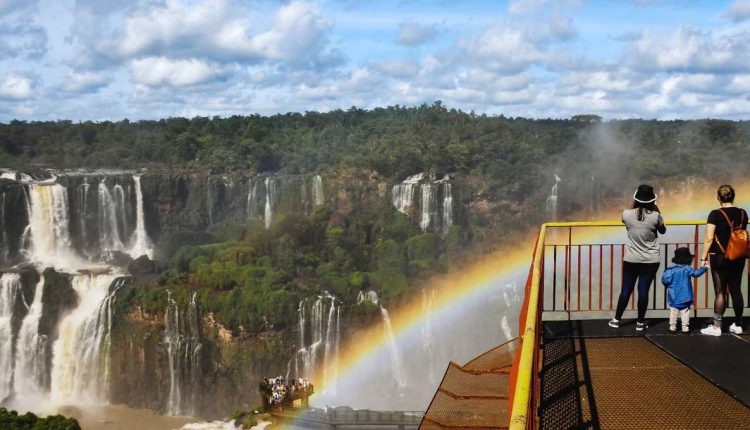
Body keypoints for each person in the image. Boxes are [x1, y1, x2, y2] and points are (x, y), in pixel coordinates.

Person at [609, 184, 666, 331]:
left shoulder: (626, 214)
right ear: (652, 200)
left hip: (631, 259)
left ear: (636, 198)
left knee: (626, 290)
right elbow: (663, 230)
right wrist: (657, 209)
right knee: (643, 290)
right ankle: (640, 323)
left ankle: (616, 320)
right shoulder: (656, 216)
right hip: (651, 260)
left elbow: (626, 221)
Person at [700, 184, 746, 336]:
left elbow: (709, 237)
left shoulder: (715, 214)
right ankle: (738, 324)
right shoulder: (742, 213)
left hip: (719, 256)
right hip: (738, 256)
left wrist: (703, 257)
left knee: (720, 292)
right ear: (733, 196)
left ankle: (716, 327)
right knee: (736, 289)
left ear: (718, 198)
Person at [662, 247, 707, 333]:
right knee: (685, 312)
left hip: (674, 296)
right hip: (686, 296)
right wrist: (704, 268)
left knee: (673, 312)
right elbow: (696, 273)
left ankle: (672, 328)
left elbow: (665, 280)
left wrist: (669, 286)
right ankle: (685, 328)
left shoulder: (670, 271)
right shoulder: (688, 269)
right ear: (688, 260)